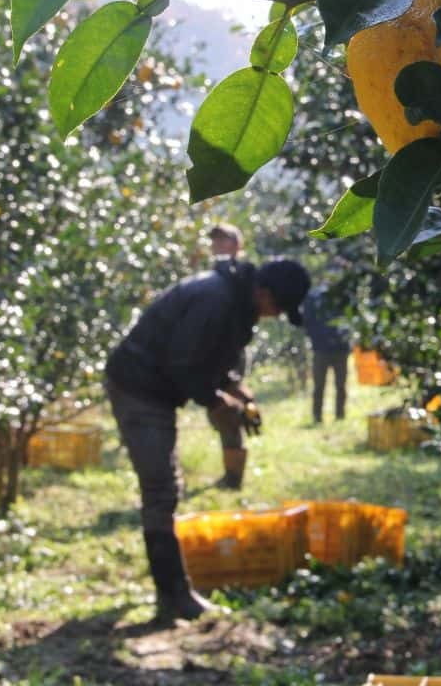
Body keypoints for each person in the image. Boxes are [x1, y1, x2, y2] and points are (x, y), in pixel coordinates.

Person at [104, 256, 310, 622]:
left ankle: (175, 594)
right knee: (161, 490)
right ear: (263, 292)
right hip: (138, 386)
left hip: (155, 387)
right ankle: (173, 597)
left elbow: (211, 355)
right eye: (278, 307)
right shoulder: (215, 299)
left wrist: (237, 390)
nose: (276, 315)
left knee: (163, 491)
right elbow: (184, 363)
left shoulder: (233, 300)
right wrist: (218, 402)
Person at [205, 221, 247, 488]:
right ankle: (231, 472)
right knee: (218, 413)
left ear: (236, 244)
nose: (218, 245)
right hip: (214, 352)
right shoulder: (215, 274)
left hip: (230, 353)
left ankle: (233, 477)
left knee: (226, 412)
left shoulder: (241, 275)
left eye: (224, 240)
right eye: (215, 241)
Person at [302, 285, 350, 425]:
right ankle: (318, 417)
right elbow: (308, 321)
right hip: (322, 349)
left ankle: (339, 415)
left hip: (339, 348)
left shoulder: (342, 296)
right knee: (319, 386)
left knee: (339, 386)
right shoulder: (314, 297)